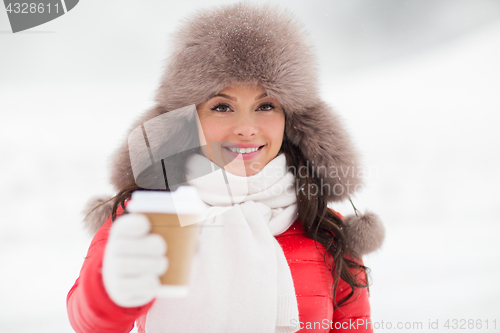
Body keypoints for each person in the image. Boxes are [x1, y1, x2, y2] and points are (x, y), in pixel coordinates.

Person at [67, 2, 385, 332]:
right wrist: (111, 289)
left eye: (265, 105)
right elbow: (88, 322)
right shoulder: (147, 215)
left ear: (291, 120)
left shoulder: (328, 232)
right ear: (188, 119)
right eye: (222, 106)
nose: (247, 128)